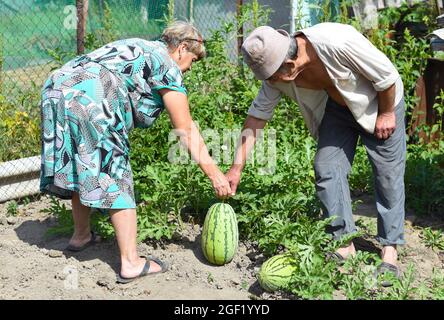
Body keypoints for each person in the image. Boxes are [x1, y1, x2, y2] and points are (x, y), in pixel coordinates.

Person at [40, 21, 232, 283]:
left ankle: (81, 235)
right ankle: (130, 262)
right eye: (193, 61)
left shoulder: (141, 46)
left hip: (57, 87)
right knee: (115, 169)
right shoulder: (167, 64)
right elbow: (185, 129)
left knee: (80, 161)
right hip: (94, 95)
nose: (189, 69)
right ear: (182, 48)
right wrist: (215, 174)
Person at [226, 23, 405, 281]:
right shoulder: (275, 74)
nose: (271, 83)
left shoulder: (337, 43)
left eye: (273, 76)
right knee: (326, 167)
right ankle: (343, 246)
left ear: (290, 64)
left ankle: (390, 252)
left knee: (387, 173)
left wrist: (387, 113)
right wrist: (236, 167)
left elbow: (386, 77)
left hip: (382, 101)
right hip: (338, 109)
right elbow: (257, 117)